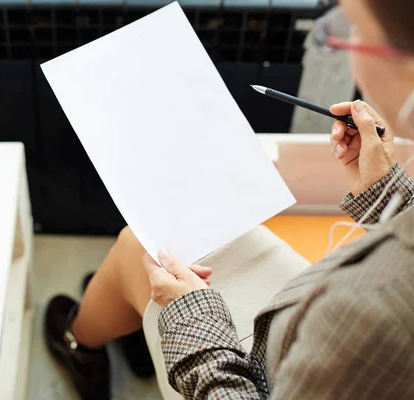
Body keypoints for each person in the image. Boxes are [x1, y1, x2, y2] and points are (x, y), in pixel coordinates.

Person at [44, 0, 414, 398]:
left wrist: (192, 320)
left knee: (143, 249)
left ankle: (82, 344)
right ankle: (126, 325)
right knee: (164, 248)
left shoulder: (377, 314)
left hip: (265, 367)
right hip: (312, 317)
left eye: (354, 31)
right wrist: (389, 196)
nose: (345, 48)